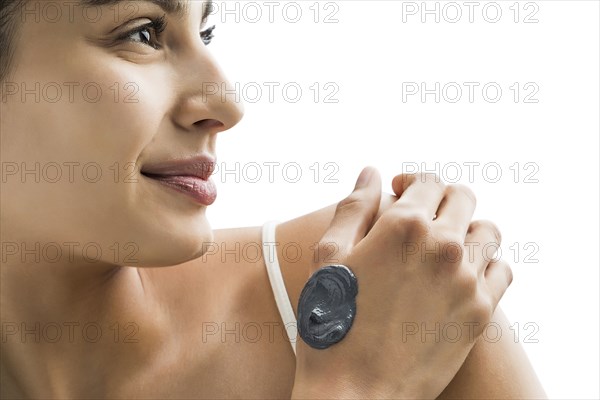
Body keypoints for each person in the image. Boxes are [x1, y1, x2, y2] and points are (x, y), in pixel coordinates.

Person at [0, 0, 547, 398]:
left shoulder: (391, 286)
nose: (228, 105)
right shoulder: (375, 345)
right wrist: (355, 388)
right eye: (143, 33)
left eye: (206, 31)